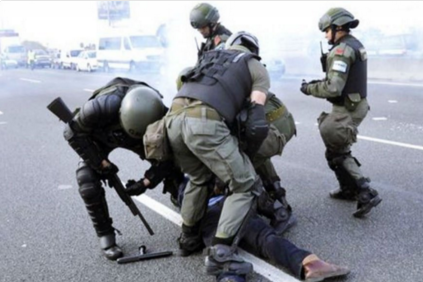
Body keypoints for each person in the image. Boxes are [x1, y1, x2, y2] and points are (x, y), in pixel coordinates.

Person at [165, 31, 271, 278]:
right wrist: (245, 158)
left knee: (199, 178)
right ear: (253, 50)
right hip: (203, 123)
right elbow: (256, 124)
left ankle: (189, 239)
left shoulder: (208, 57)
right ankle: (221, 255)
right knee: (245, 185)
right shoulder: (255, 67)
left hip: (172, 122)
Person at [63, 77, 183, 260]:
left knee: (175, 162)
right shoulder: (98, 108)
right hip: (102, 134)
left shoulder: (161, 114)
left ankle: (180, 196)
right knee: (86, 179)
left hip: (144, 138)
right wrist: (101, 163)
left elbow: (167, 159)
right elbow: (71, 132)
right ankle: (106, 238)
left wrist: (146, 182)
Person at [176, 66, 297, 235]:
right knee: (249, 157)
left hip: (273, 128)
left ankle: (278, 211)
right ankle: (277, 196)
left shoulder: (214, 98)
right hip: (276, 124)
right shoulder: (216, 86)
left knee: (239, 172)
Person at [170, 178, 350, 282]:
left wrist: (186, 242)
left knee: (221, 255)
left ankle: (230, 279)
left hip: (208, 217)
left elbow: (190, 234)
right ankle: (309, 263)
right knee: (266, 238)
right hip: (233, 207)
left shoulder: (187, 188)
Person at [299, 8, 382, 218]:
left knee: (338, 152)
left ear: (338, 28)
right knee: (336, 150)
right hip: (354, 104)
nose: (326, 35)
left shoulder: (341, 50)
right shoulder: (354, 44)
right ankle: (348, 189)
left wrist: (309, 88)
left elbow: (334, 87)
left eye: (328, 30)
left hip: (347, 108)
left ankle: (365, 192)